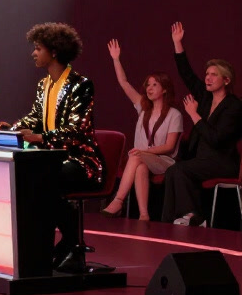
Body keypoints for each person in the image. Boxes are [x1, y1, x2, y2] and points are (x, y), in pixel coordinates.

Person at [5, 22, 103, 270]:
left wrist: (39, 138)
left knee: (43, 178)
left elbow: (76, 131)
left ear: (55, 51)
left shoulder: (81, 85)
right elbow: (35, 117)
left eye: (38, 48)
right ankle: (50, 246)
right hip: (51, 159)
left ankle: (71, 242)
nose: (33, 53)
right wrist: (13, 128)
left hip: (81, 160)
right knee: (31, 176)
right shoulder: (44, 84)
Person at [161, 22, 242, 226]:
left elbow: (216, 139)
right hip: (202, 160)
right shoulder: (205, 98)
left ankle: (193, 216)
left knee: (179, 170)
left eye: (214, 74)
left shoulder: (234, 106)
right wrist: (177, 43)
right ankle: (168, 221)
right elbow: (187, 74)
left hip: (223, 162)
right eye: (207, 74)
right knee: (173, 171)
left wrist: (194, 114)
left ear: (226, 80)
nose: (208, 78)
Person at [100, 39, 183, 221]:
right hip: (142, 158)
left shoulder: (174, 114)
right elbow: (124, 82)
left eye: (155, 85)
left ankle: (118, 200)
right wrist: (116, 59)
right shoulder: (143, 107)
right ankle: (144, 215)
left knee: (136, 156)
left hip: (164, 161)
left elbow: (169, 147)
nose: (149, 88)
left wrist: (144, 151)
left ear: (165, 90)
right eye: (148, 85)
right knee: (141, 167)